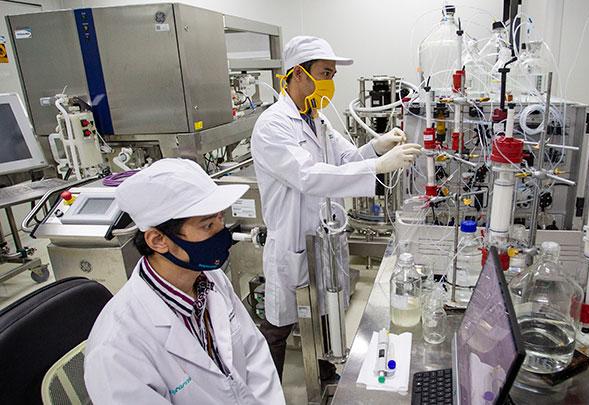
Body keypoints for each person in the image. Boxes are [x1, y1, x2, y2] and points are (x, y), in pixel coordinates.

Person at [251, 35, 422, 381]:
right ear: (298, 74)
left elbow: (345, 158)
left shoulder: (317, 119)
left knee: (327, 311)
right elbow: (309, 176)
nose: (330, 82)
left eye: (332, 74)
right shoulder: (273, 125)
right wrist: (376, 167)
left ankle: (326, 371)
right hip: (293, 240)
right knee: (280, 325)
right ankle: (263, 390)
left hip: (325, 236)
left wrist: (376, 147)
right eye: (325, 73)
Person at [84, 158, 284, 404]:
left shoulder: (210, 278)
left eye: (220, 218)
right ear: (158, 240)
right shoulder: (117, 347)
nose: (221, 232)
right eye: (208, 225)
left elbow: (254, 355)